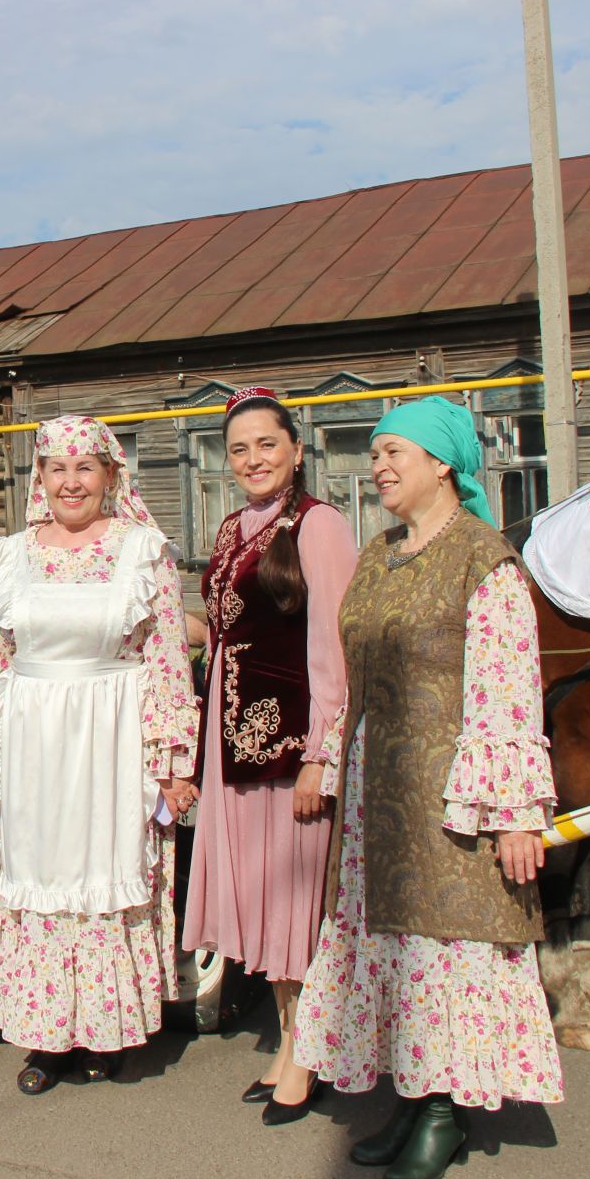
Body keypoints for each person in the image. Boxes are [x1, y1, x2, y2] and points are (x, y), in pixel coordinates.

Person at [289, 396, 563, 1179]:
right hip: (381, 787)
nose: (377, 467)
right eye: (373, 454)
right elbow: (354, 676)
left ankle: (446, 1111)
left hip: (453, 790)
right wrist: (337, 763)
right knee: (396, 948)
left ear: (443, 462)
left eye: (392, 452)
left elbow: (508, 690)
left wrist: (514, 814)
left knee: (447, 945)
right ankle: (413, 1096)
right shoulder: (379, 555)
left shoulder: (486, 560)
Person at [0, 415, 198, 1095]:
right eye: (56, 469)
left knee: (106, 871)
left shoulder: (143, 550)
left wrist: (172, 762)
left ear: (109, 475)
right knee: (36, 874)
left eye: (84, 468)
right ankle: (43, 1038)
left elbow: (169, 662)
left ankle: (102, 1029)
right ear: (39, 478)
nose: (70, 482)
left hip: (111, 737)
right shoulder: (8, 554)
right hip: (31, 742)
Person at [179, 388, 357, 1124]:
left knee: (294, 908)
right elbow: (218, 638)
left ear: (295, 450)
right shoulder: (228, 531)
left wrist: (323, 755)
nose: (253, 459)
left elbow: (334, 648)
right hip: (230, 743)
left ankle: (306, 1055)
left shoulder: (319, 525)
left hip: (289, 746)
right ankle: (292, 1041)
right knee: (261, 901)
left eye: (267, 445)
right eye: (240, 449)